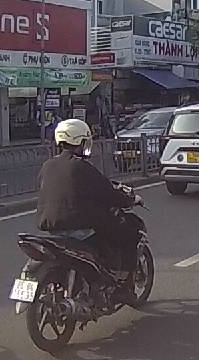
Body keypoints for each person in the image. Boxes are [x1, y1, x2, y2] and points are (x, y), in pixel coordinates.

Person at [36, 119, 138, 282]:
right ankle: (122, 280)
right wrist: (129, 199)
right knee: (130, 235)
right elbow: (108, 192)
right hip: (80, 229)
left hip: (52, 228)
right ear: (81, 142)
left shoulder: (47, 165)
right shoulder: (81, 166)